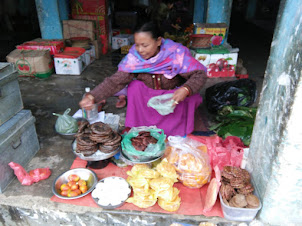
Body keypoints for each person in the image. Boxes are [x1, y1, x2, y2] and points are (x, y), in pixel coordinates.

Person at [79, 22, 207, 136]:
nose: (140, 50)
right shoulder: (134, 59)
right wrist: (92, 96)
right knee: (134, 87)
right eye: (137, 45)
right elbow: (115, 81)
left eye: (145, 45)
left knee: (192, 95)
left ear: (158, 41)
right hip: (148, 101)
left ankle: (176, 127)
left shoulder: (176, 54)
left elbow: (199, 74)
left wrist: (185, 89)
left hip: (172, 98)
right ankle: (143, 128)